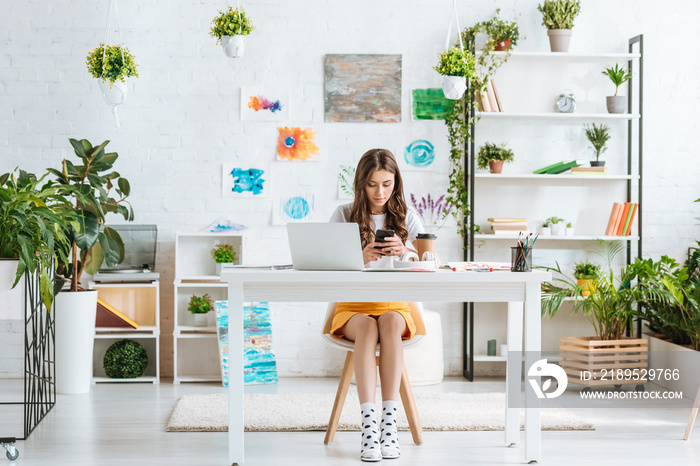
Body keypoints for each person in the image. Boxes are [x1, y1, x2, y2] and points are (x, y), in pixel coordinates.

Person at [329, 148, 424, 462]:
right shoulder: (343, 214)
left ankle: (389, 425)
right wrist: (360, 258)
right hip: (353, 305)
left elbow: (427, 263)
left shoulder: (408, 217)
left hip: (395, 304)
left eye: (387, 183)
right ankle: (369, 428)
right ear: (361, 184)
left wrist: (406, 253)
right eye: (372, 184)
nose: (380, 192)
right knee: (369, 326)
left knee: (388, 323)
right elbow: (325, 264)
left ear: (396, 181)